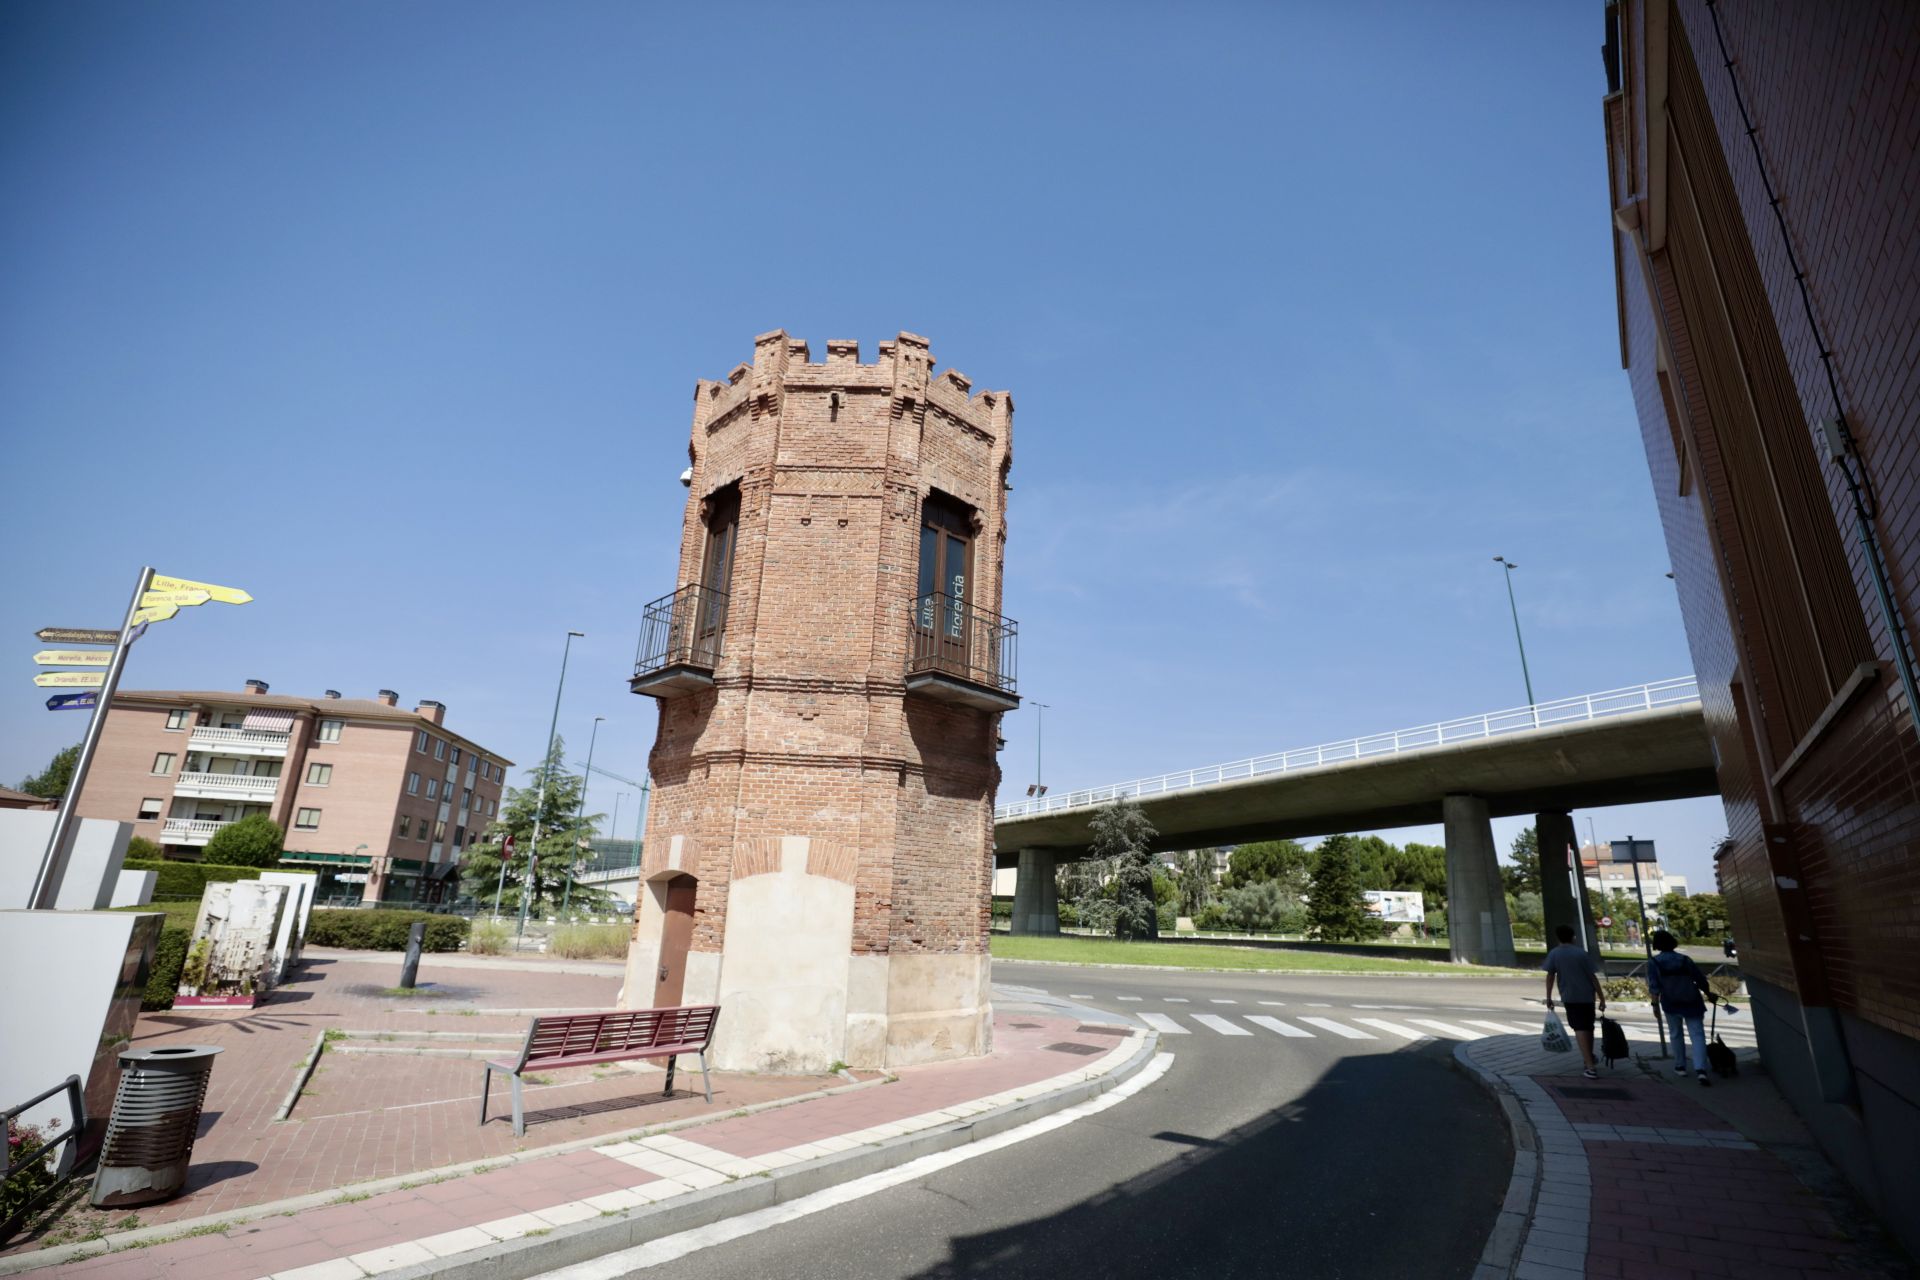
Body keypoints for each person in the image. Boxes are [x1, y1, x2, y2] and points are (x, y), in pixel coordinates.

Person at [1649, 929, 1716, 1086]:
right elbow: (1700, 979)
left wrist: (1655, 1005)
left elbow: (1654, 986)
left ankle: (1680, 1066)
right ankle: (1701, 1069)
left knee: (1675, 1034)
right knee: (1698, 1035)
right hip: (1692, 1000)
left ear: (1657, 945)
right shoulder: (1685, 960)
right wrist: (1708, 993)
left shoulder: (1654, 962)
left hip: (1670, 1002)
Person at [1542, 924, 1607, 1078]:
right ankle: (1589, 1058)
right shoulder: (1581, 954)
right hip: (1587, 996)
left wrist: (1549, 997)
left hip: (1570, 997)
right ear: (1573, 937)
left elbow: (1550, 976)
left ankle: (1590, 1066)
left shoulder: (1554, 954)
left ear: (1558, 938)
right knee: (1588, 1027)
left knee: (1579, 1029)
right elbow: (1593, 977)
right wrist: (1601, 997)